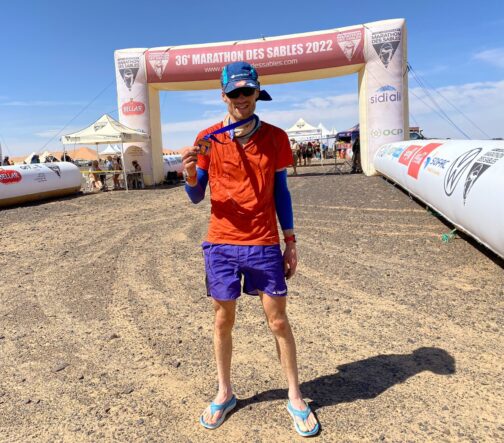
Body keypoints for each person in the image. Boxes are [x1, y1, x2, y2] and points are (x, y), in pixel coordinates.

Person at [181, 61, 319, 437]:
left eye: (248, 91)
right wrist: (191, 175)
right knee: (223, 320)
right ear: (223, 95)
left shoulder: (275, 137)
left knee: (278, 321)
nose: (242, 99)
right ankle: (225, 392)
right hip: (221, 244)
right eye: (235, 92)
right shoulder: (209, 138)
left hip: (262, 243)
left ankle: (294, 395)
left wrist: (290, 241)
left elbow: (282, 193)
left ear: (258, 92)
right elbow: (196, 196)